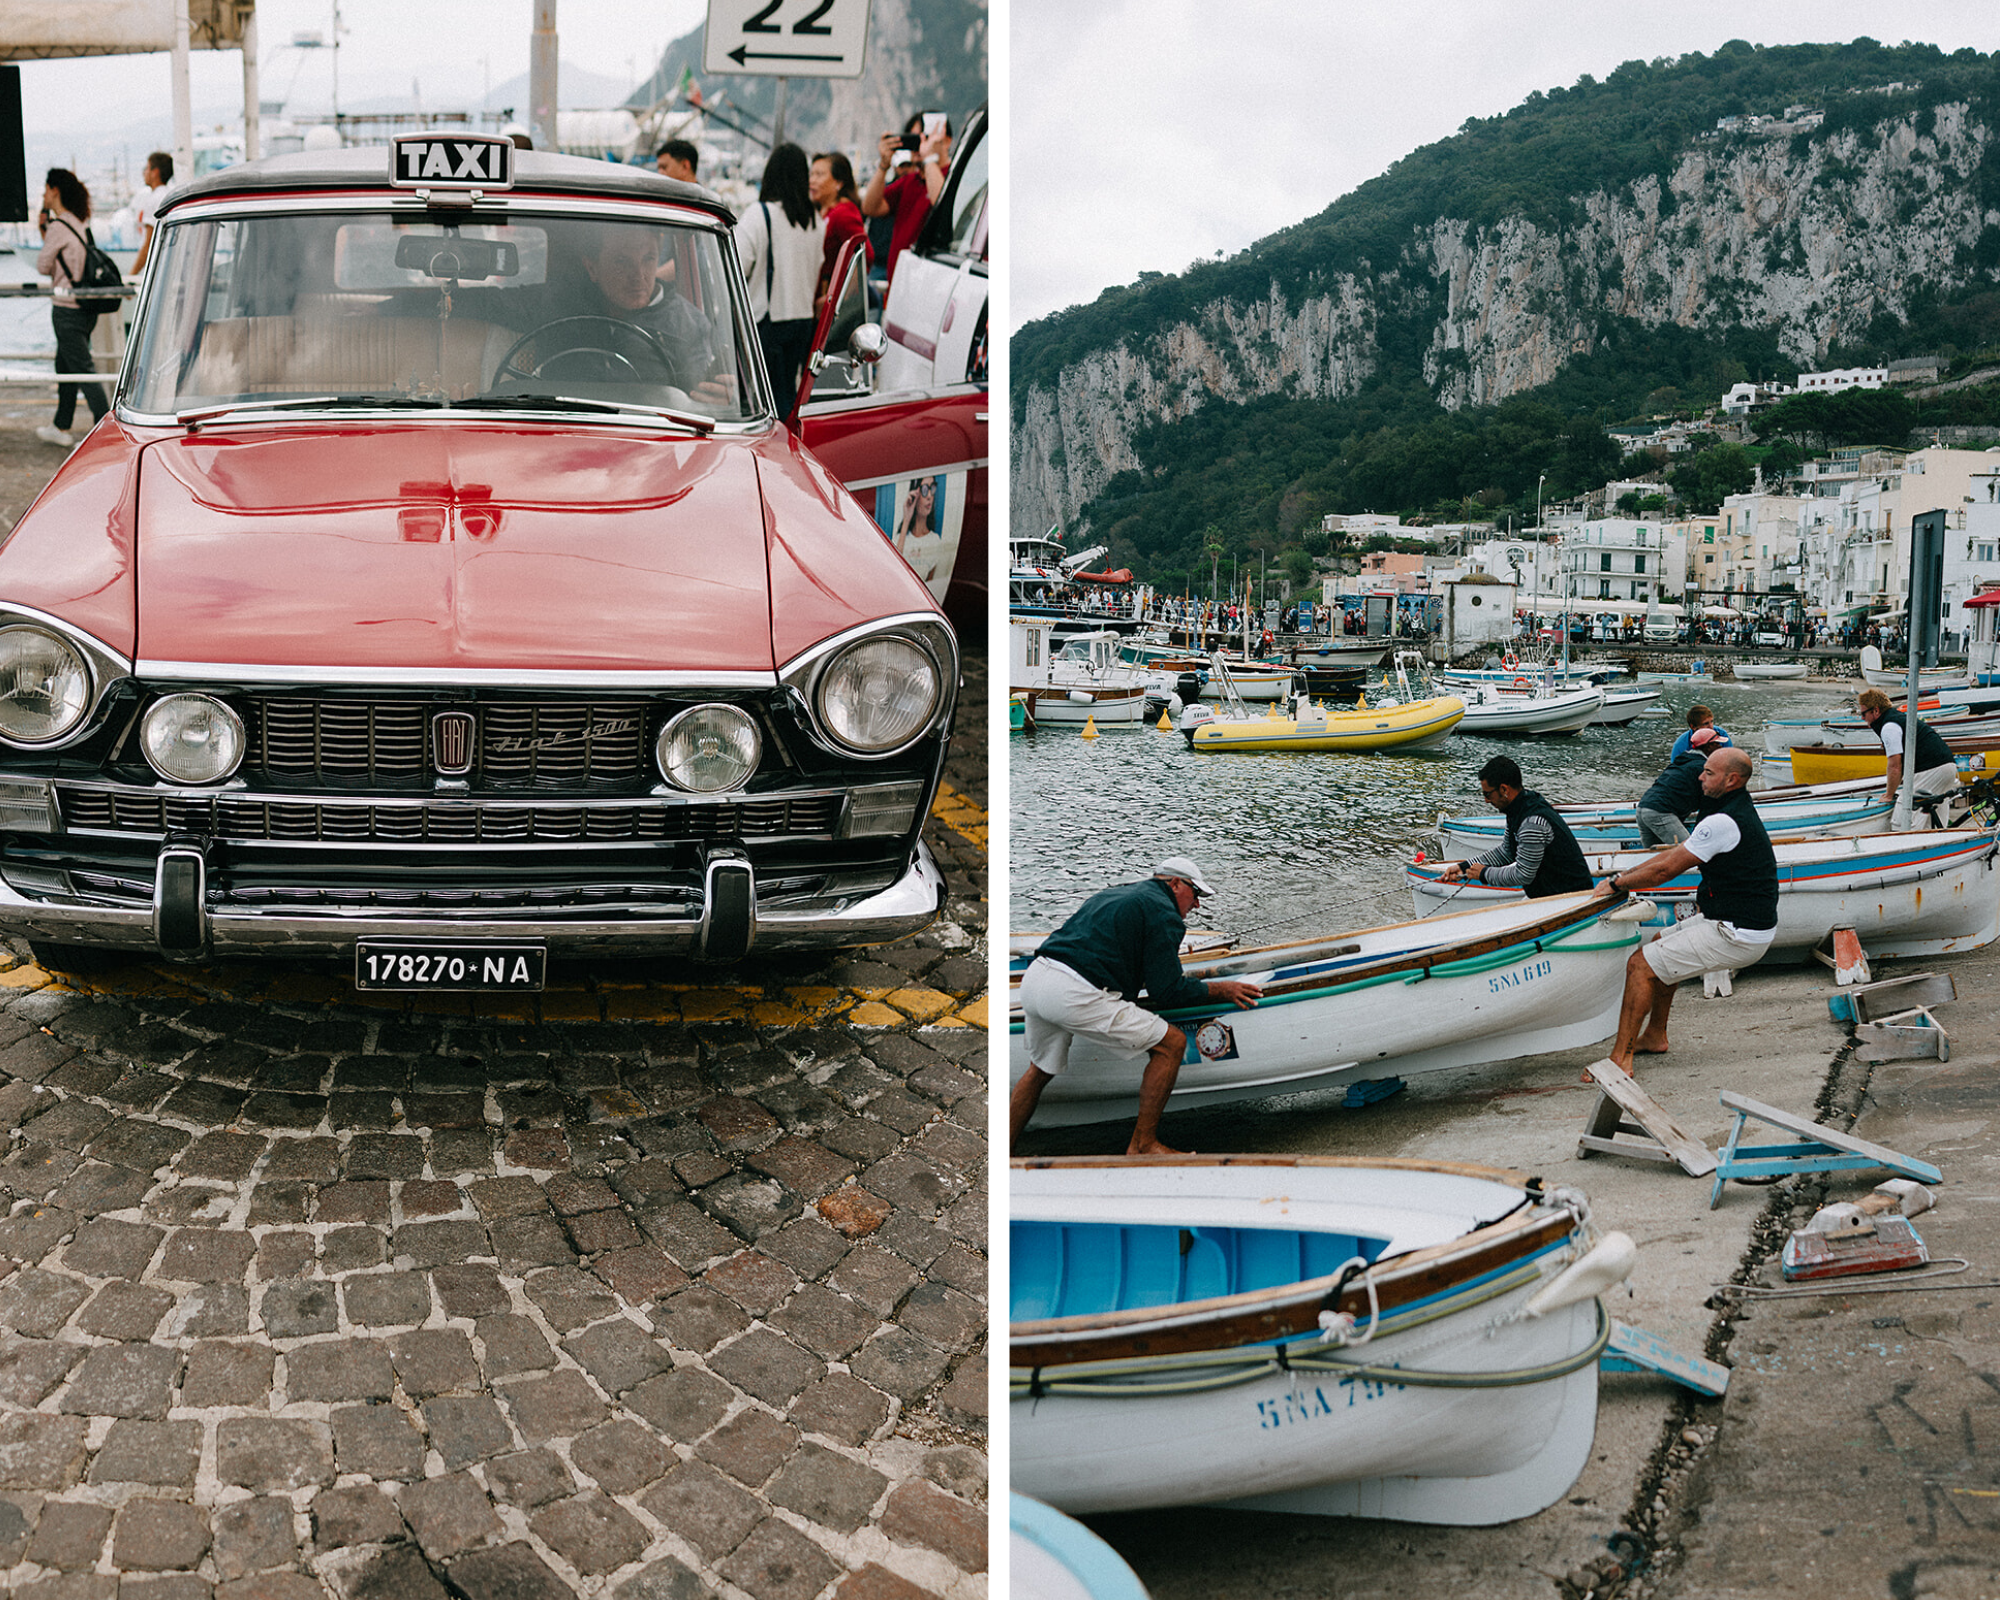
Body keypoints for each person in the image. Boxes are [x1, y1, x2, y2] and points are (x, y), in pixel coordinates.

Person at [1010, 858, 1263, 1155]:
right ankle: (1143, 1144)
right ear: (1174, 884)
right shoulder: (1164, 912)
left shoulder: (1117, 893)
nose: (1196, 905)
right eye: (1195, 894)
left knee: (1039, 1070)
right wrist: (1222, 988)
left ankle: (1004, 1149)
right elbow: (1168, 991)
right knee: (1171, 1044)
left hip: (1036, 979)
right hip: (1073, 993)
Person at [1599, 746, 1778, 1071]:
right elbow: (1673, 855)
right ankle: (1655, 1035)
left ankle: (1619, 1059)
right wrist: (1624, 877)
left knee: (1640, 966)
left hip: (1737, 932)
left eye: (1708, 773)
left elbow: (1665, 872)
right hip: (1737, 921)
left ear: (1732, 779)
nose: (1700, 777)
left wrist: (1615, 885)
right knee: (1657, 948)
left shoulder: (1724, 820)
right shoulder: (1727, 806)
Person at [734, 143, 824, 415]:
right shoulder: (816, 221)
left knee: (761, 405)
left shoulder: (758, 215)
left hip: (767, 323)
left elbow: (736, 265)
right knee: (788, 399)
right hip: (802, 323)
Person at [1434, 756, 1594, 897]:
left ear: (1504, 789)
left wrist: (1483, 874)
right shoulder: (1518, 808)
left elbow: (1523, 874)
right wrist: (1464, 867)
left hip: (1571, 897)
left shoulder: (1532, 822)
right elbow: (1506, 852)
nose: (1486, 801)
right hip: (1550, 894)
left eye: (1487, 794)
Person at [33, 168, 109, 450]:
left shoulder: (57, 227)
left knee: (82, 371)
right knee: (64, 365)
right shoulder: (78, 222)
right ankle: (60, 425)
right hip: (85, 308)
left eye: (45, 190)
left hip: (66, 309)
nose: (43, 195)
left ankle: (107, 428)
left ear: (55, 191)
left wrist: (43, 230)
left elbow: (43, 266)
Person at [861, 109, 951, 289]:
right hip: (898, 286)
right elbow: (870, 207)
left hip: (930, 287)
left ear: (947, 141)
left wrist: (930, 159)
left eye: (924, 138)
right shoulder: (909, 181)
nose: (919, 146)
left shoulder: (952, 177)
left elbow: (942, 205)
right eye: (914, 140)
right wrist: (884, 165)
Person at [1857, 687, 1959, 801]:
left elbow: (1895, 766)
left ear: (1876, 711)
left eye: (1864, 714)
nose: (1862, 718)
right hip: (1948, 766)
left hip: (1931, 769)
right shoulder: (1899, 718)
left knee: (1905, 812)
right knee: (1934, 815)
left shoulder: (1889, 727)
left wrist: (1889, 795)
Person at [1635, 727, 1727, 847]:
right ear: (1708, 747)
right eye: (1718, 744)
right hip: (1661, 812)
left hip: (1643, 808)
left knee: (1652, 856)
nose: (1720, 747)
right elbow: (1708, 805)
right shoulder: (1702, 768)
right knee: (1690, 851)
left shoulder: (1682, 762)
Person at [809, 150, 869, 309]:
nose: (812, 180)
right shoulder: (821, 212)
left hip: (828, 307)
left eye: (820, 175)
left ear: (839, 183)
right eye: (812, 174)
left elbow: (865, 255)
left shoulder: (843, 213)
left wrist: (836, 297)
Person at [130, 151, 174, 277]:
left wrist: (132, 275)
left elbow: (149, 243)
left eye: (147, 168)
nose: (144, 173)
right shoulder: (169, 195)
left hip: (157, 271)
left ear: (155, 172)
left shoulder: (154, 200)